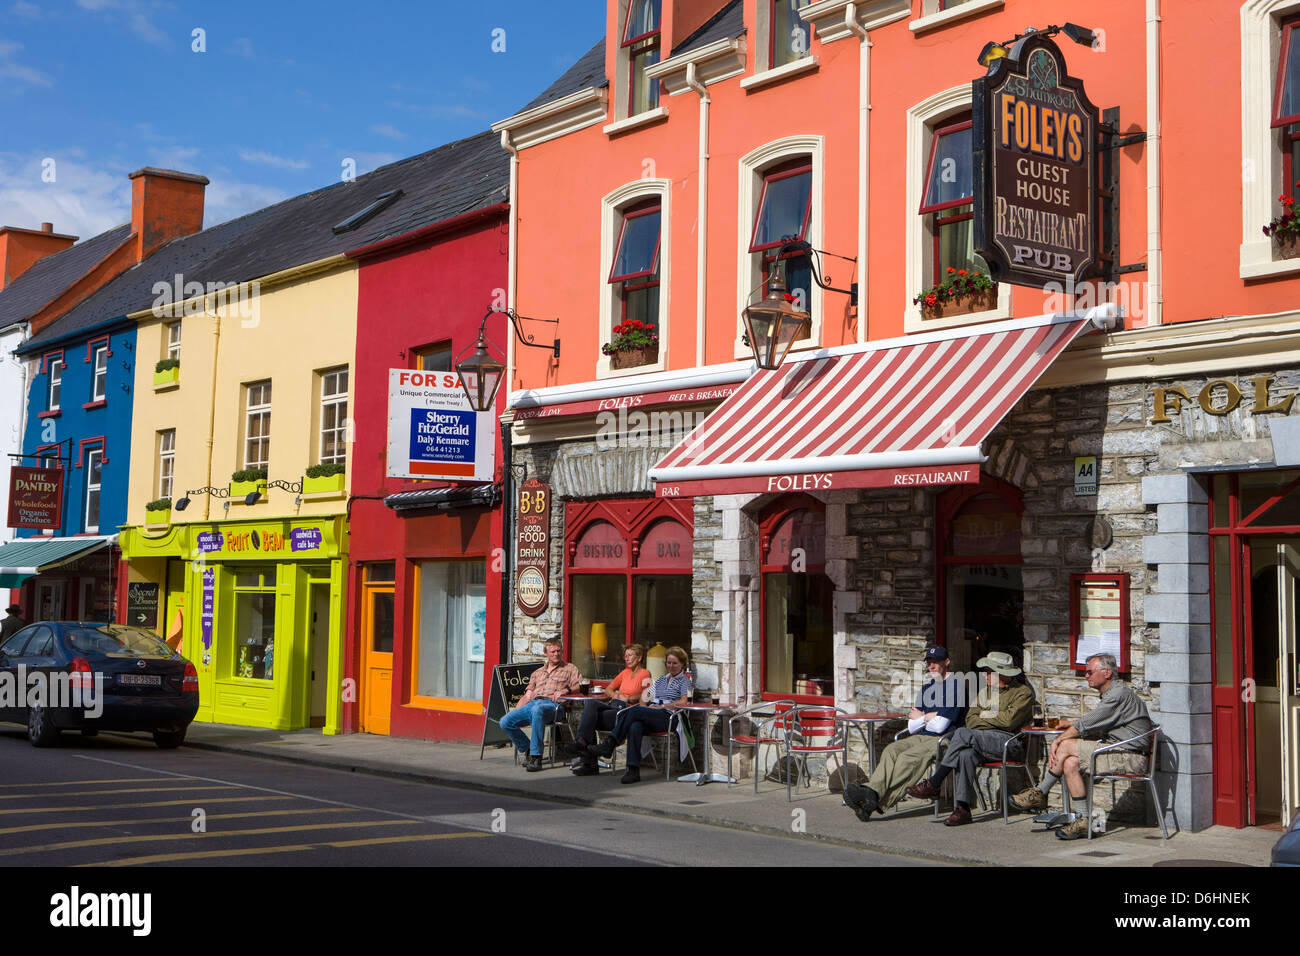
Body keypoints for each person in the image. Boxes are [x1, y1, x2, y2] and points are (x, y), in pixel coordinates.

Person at [1009, 652, 1155, 840]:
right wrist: (1070, 725)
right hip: (1117, 750)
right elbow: (1094, 723)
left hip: (1131, 756)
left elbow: (1088, 723)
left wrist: (1058, 739)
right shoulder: (1113, 693)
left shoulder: (1118, 694)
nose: (1086, 676)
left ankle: (1040, 792)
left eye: (1089, 672)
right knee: (1070, 763)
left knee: (1066, 745)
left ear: (1107, 673)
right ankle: (1084, 820)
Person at [904, 651, 1036, 826]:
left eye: (989, 672)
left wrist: (984, 717)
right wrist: (991, 718)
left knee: (962, 733)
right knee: (965, 754)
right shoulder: (985, 692)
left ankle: (935, 782)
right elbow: (970, 718)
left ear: (1002, 673)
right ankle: (963, 808)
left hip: (1008, 743)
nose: (984, 675)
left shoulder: (1022, 693)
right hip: (981, 740)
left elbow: (1009, 721)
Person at [844, 645, 966, 821]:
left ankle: (875, 801)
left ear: (947, 662)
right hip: (921, 736)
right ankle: (870, 793)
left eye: (936, 662)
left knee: (907, 758)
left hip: (945, 740)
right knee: (891, 750)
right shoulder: (927, 688)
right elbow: (911, 725)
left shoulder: (956, 687)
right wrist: (928, 717)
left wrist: (922, 717)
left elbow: (941, 727)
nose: (931, 666)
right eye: (929, 663)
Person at [590, 645, 693, 784]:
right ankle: (632, 770)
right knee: (635, 726)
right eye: (669, 662)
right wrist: (646, 709)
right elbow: (645, 696)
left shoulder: (684, 680)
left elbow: (684, 701)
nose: (671, 666)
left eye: (675, 663)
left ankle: (610, 743)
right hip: (653, 714)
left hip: (670, 716)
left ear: (682, 664)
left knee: (636, 711)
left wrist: (661, 706)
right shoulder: (662, 679)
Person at [563, 643, 652, 776]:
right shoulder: (625, 673)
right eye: (625, 656)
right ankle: (583, 744)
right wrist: (616, 695)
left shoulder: (645, 673)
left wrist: (627, 699)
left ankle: (588, 759)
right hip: (614, 705)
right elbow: (609, 688)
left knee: (590, 720)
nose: (626, 658)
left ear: (639, 658)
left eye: (630, 655)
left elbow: (647, 696)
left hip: (627, 712)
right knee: (591, 704)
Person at [499, 637, 582, 771]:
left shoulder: (570, 668)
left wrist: (565, 690)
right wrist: (516, 711)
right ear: (546, 653)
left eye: (559, 651)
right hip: (533, 704)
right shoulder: (537, 673)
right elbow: (528, 695)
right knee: (505, 721)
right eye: (553, 651)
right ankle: (527, 749)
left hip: (554, 706)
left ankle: (536, 757)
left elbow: (579, 686)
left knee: (538, 709)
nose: (556, 654)